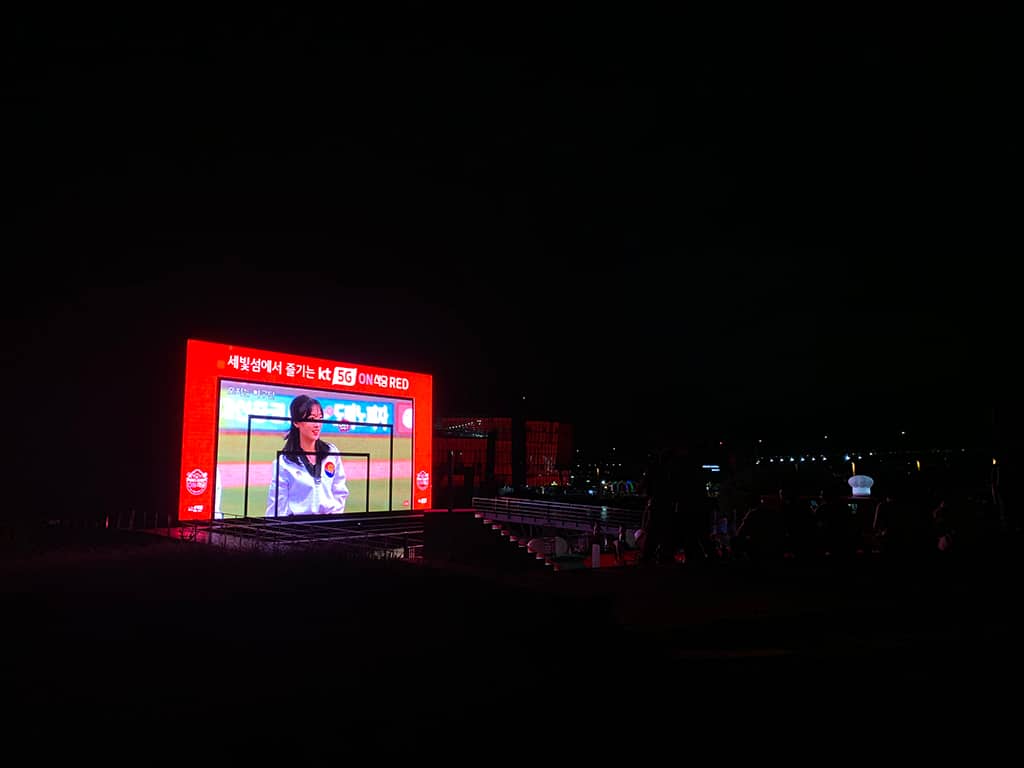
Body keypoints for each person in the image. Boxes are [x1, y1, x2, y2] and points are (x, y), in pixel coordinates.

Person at [266, 394, 349, 517]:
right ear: (296, 422)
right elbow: (277, 506)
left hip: (329, 526)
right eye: (311, 418)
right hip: (297, 529)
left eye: (320, 418)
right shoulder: (284, 462)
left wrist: (335, 519)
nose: (317, 424)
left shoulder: (331, 453)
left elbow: (339, 491)